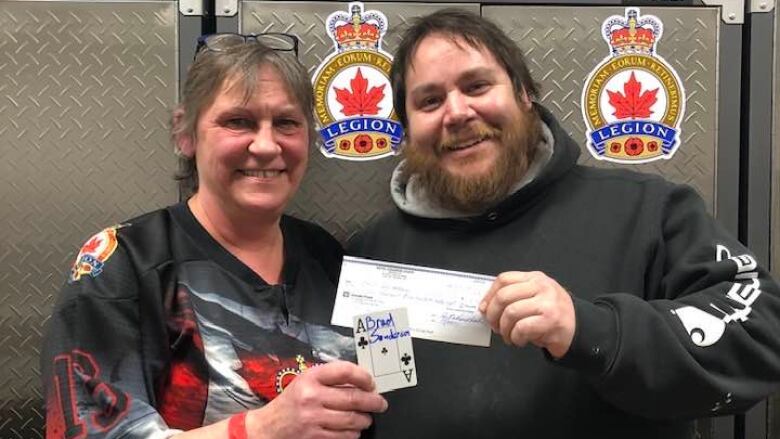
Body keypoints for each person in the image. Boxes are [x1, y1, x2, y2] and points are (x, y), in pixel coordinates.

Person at [349, 9, 780, 439]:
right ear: (407, 131)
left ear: (524, 95)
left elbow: (761, 335)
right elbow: (379, 396)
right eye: (429, 101)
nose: (457, 112)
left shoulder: (647, 210)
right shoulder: (376, 251)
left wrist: (592, 330)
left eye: (477, 85)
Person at [41, 34, 386, 439]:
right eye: (238, 121)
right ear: (186, 135)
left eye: (286, 123)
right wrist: (262, 428)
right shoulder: (124, 264)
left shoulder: (329, 257)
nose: (265, 145)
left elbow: (394, 388)